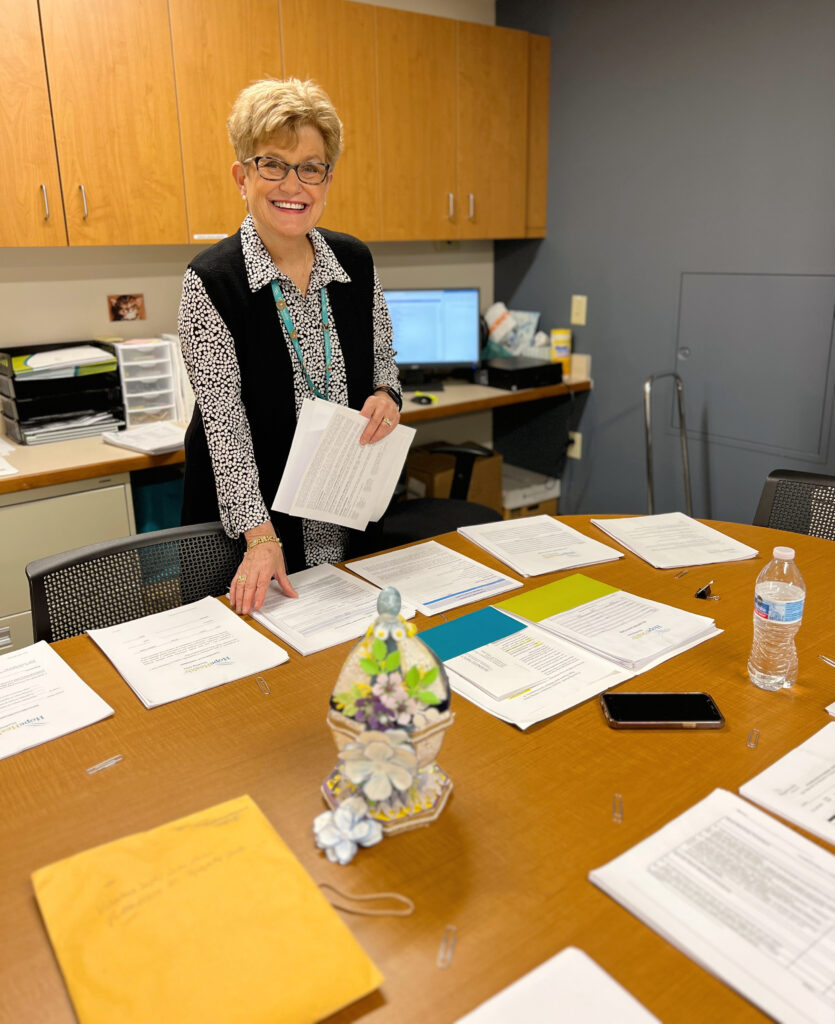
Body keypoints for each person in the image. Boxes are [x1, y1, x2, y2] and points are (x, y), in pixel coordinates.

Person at [178, 78, 402, 616]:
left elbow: (384, 360)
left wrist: (386, 395)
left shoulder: (354, 261)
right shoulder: (212, 281)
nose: (293, 184)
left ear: (327, 178)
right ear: (242, 176)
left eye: (311, 166)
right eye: (272, 164)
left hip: (340, 507)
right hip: (251, 529)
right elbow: (224, 430)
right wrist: (259, 537)